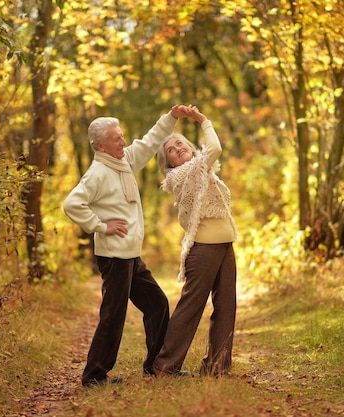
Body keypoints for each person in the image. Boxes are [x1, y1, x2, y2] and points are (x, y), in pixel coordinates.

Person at [63, 105, 191, 387]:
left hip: (130, 256)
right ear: (100, 146)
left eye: (122, 136)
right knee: (113, 316)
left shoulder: (123, 161)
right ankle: (94, 376)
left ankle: (156, 366)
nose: (123, 142)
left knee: (156, 304)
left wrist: (171, 118)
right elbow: (72, 204)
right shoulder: (97, 173)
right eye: (116, 139)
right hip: (114, 256)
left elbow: (148, 142)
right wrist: (100, 225)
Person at [152, 106, 238, 378]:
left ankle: (216, 367)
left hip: (225, 246)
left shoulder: (202, 170)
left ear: (188, 146)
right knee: (191, 307)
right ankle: (165, 365)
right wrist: (203, 120)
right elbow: (215, 148)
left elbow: (210, 157)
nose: (177, 149)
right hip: (203, 250)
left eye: (179, 144)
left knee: (226, 307)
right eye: (171, 152)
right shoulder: (182, 175)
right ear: (170, 164)